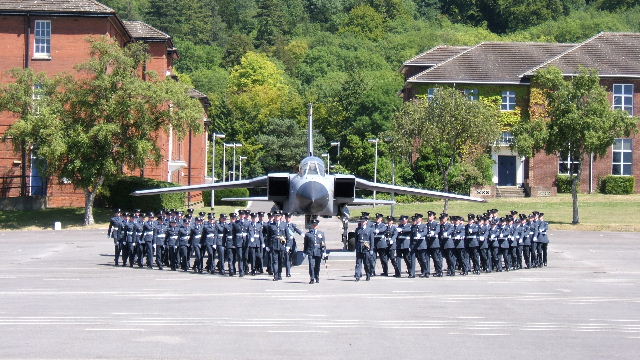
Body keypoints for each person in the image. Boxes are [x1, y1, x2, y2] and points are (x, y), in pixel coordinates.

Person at [304, 219, 326, 284]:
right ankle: (312, 278)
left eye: (315, 225)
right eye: (313, 225)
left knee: (317, 265)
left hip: (318, 251)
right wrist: (304, 252)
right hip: (311, 250)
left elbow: (323, 243)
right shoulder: (308, 234)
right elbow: (306, 244)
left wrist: (324, 252)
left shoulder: (321, 233)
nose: (314, 226)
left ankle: (317, 276)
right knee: (311, 265)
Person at [268, 211, 288, 281]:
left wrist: (287, 245)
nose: (277, 217)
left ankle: (279, 274)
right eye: (276, 216)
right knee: (275, 261)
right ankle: (275, 275)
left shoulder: (284, 225)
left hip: (281, 245)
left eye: (278, 216)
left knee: (280, 261)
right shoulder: (271, 225)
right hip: (274, 245)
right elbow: (269, 236)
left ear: (280, 217)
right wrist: (268, 245)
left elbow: (287, 236)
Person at [354, 216, 375, 281]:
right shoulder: (358, 229)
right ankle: (357, 276)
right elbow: (356, 239)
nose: (362, 222)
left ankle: (368, 274)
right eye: (361, 221)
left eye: (363, 221)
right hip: (359, 248)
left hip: (366, 248)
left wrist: (371, 249)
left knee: (366, 263)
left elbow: (372, 240)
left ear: (366, 222)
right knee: (358, 263)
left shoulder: (370, 230)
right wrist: (356, 247)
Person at [409, 214, 428, 278]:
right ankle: (412, 273)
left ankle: (425, 271)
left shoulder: (424, 225)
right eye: (416, 218)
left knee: (422, 259)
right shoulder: (413, 226)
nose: (417, 220)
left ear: (421, 219)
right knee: (412, 259)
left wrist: (420, 235)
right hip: (414, 245)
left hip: (421, 244)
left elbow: (425, 232)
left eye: (418, 218)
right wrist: (410, 245)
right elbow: (411, 237)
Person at [284, 213, 303, 277]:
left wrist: (303, 234)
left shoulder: (293, 225)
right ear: (285, 218)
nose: (288, 219)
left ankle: (293, 262)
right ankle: (288, 272)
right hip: (286, 242)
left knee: (294, 253)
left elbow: (298, 230)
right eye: (287, 217)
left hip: (292, 243)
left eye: (289, 217)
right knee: (287, 258)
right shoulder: (283, 225)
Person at [425, 211, 441, 277]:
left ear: (433, 216)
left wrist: (433, 233)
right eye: (428, 216)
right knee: (427, 258)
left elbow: (437, 230)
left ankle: (439, 271)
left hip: (434, 243)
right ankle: (427, 272)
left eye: (430, 216)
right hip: (428, 243)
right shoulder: (427, 224)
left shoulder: (436, 223)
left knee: (436, 258)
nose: (429, 217)